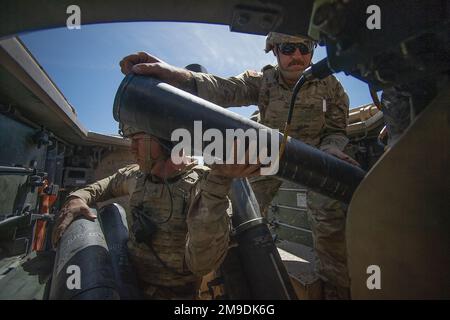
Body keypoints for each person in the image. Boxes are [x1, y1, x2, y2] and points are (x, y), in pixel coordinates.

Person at [118, 32, 358, 299]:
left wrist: (331, 148)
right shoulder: (263, 82)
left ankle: (336, 291)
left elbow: (337, 130)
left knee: (331, 224)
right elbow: (222, 89)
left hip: (316, 159)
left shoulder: (331, 86)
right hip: (267, 158)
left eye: (305, 48)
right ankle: (230, 283)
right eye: (289, 48)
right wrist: (173, 75)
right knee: (241, 218)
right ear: (275, 51)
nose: (298, 56)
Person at [51, 121, 258, 299]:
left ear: (166, 141)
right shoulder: (136, 176)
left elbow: (202, 264)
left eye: (138, 140)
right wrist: (77, 197)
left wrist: (217, 186)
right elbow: (104, 186)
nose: (131, 148)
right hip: (128, 285)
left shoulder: (204, 184)